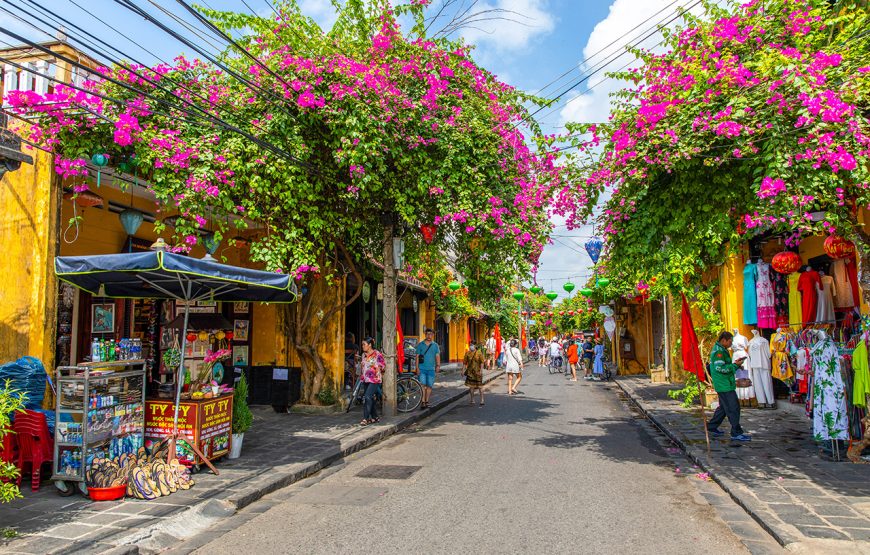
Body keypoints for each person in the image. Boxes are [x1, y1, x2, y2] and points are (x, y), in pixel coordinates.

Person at [707, 331, 751, 442]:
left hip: (724, 384)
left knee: (723, 408)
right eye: (730, 341)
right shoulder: (719, 353)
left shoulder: (722, 350)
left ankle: (712, 426)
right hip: (724, 385)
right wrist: (735, 366)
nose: (731, 344)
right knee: (733, 407)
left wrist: (734, 365)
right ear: (723, 340)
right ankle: (736, 432)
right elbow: (720, 368)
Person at [359, 337, 385, 426]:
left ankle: (365, 418)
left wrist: (377, 368)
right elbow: (363, 367)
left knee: (367, 396)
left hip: (374, 379)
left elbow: (382, 365)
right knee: (369, 398)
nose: (362, 346)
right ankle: (375, 417)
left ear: (369, 345)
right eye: (362, 344)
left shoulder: (377, 354)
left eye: (364, 344)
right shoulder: (363, 355)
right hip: (365, 379)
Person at [417, 328, 441, 409]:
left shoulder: (435, 345)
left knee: (429, 386)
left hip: (431, 369)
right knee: (423, 385)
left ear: (433, 335)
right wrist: (417, 368)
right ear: (425, 334)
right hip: (422, 368)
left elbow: (437, 356)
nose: (429, 336)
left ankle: (427, 401)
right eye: (427, 334)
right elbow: (417, 357)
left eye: (430, 334)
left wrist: (438, 365)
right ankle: (423, 402)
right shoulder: (420, 345)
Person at [463, 341, 486, 406]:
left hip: (478, 372)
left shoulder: (479, 353)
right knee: (471, 387)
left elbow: (482, 362)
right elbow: (464, 363)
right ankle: (472, 399)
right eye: (470, 345)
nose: (471, 346)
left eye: (472, 345)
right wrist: (462, 370)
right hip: (470, 373)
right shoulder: (467, 353)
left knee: (480, 386)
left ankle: (482, 400)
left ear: (475, 346)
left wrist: (481, 370)